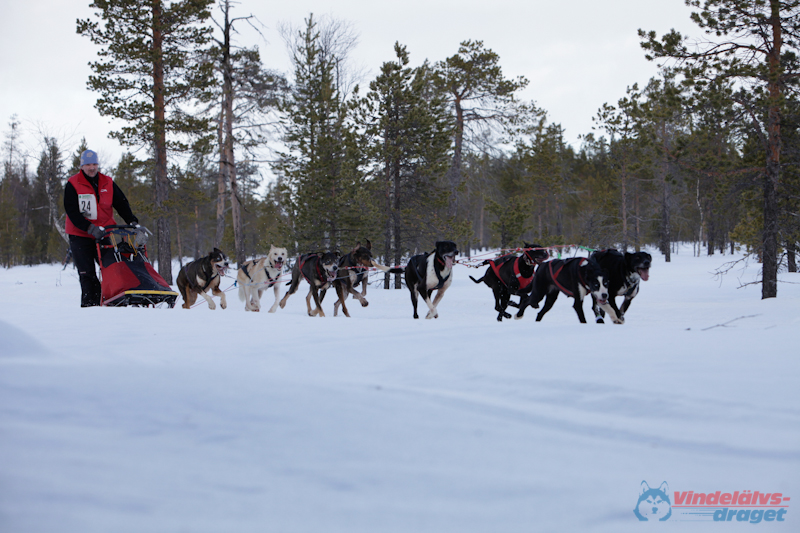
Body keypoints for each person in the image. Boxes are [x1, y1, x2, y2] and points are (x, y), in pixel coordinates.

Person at [64, 149, 140, 307]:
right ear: (82, 166)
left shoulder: (107, 182)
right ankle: (90, 307)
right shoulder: (73, 183)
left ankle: (113, 303)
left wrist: (132, 220)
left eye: (94, 164)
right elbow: (72, 211)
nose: (91, 168)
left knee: (113, 269)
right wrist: (89, 227)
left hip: (105, 232)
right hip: (80, 235)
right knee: (87, 274)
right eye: (88, 164)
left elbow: (121, 203)